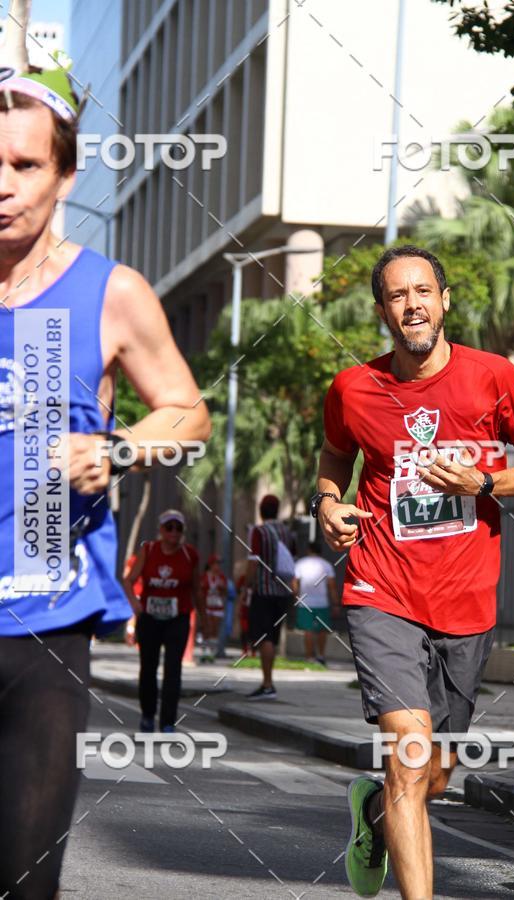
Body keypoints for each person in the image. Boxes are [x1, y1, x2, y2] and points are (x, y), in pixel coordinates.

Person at [0, 63, 210, 899]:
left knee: (24, 880)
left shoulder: (110, 292)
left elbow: (187, 413)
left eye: (25, 166)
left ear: (66, 174)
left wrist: (119, 449)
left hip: (46, 619)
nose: (3, 186)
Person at [313, 245, 514, 899]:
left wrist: (488, 480)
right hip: (381, 587)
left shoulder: (495, 378)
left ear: (444, 301)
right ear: (382, 310)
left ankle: (370, 810)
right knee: (412, 755)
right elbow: (335, 458)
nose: (412, 304)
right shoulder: (354, 388)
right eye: (397, 295)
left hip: (465, 599)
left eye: (423, 291)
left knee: (434, 775)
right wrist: (329, 504)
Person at [124, 510, 201, 732]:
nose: (174, 533)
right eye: (169, 528)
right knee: (148, 667)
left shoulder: (190, 554)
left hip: (178, 618)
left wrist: (203, 618)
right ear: (161, 530)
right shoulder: (148, 550)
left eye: (178, 528)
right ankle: (148, 714)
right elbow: (129, 580)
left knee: (173, 669)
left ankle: (168, 721)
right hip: (150, 618)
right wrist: (135, 605)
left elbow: (196, 588)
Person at [246, 494, 296, 699]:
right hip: (283, 593)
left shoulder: (258, 532)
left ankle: (267, 684)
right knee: (273, 638)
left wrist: (246, 587)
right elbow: (293, 562)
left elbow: (253, 562)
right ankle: (268, 683)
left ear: (261, 510)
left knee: (264, 637)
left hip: (263, 591)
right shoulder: (288, 533)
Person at [292, 542, 339, 664]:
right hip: (322, 602)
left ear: (308, 550)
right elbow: (332, 586)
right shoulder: (326, 565)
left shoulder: (300, 563)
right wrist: (335, 603)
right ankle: (321, 656)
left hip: (305, 601)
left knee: (308, 630)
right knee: (322, 630)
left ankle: (309, 657)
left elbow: (294, 582)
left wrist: (296, 597)